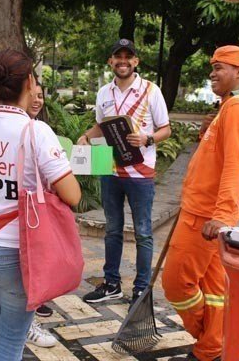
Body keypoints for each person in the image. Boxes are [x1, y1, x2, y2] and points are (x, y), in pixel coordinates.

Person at [0, 49, 81, 361]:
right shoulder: (35, 131)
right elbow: (73, 195)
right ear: (29, 82)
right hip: (16, 255)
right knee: (11, 341)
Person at [162, 45, 239, 361]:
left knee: (176, 283)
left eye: (220, 67)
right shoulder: (228, 108)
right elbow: (218, 158)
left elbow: (237, 165)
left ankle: (209, 342)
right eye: (212, 67)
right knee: (215, 289)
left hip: (205, 217)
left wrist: (223, 214)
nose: (212, 73)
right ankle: (212, 348)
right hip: (205, 213)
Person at [79, 38, 171, 306]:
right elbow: (101, 126)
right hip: (110, 168)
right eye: (117, 56)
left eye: (127, 56)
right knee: (113, 229)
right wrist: (86, 137)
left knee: (142, 231)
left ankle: (141, 290)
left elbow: (166, 129)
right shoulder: (104, 92)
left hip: (141, 172)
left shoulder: (151, 91)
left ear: (135, 61)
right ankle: (111, 284)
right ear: (110, 61)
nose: (122, 61)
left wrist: (147, 139)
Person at [23, 81, 58, 348]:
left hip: (37, 208)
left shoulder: (41, 128)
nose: (37, 100)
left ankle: (36, 303)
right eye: (32, 95)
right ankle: (27, 322)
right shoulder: (32, 129)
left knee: (38, 258)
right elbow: (71, 192)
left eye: (41, 96)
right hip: (27, 210)